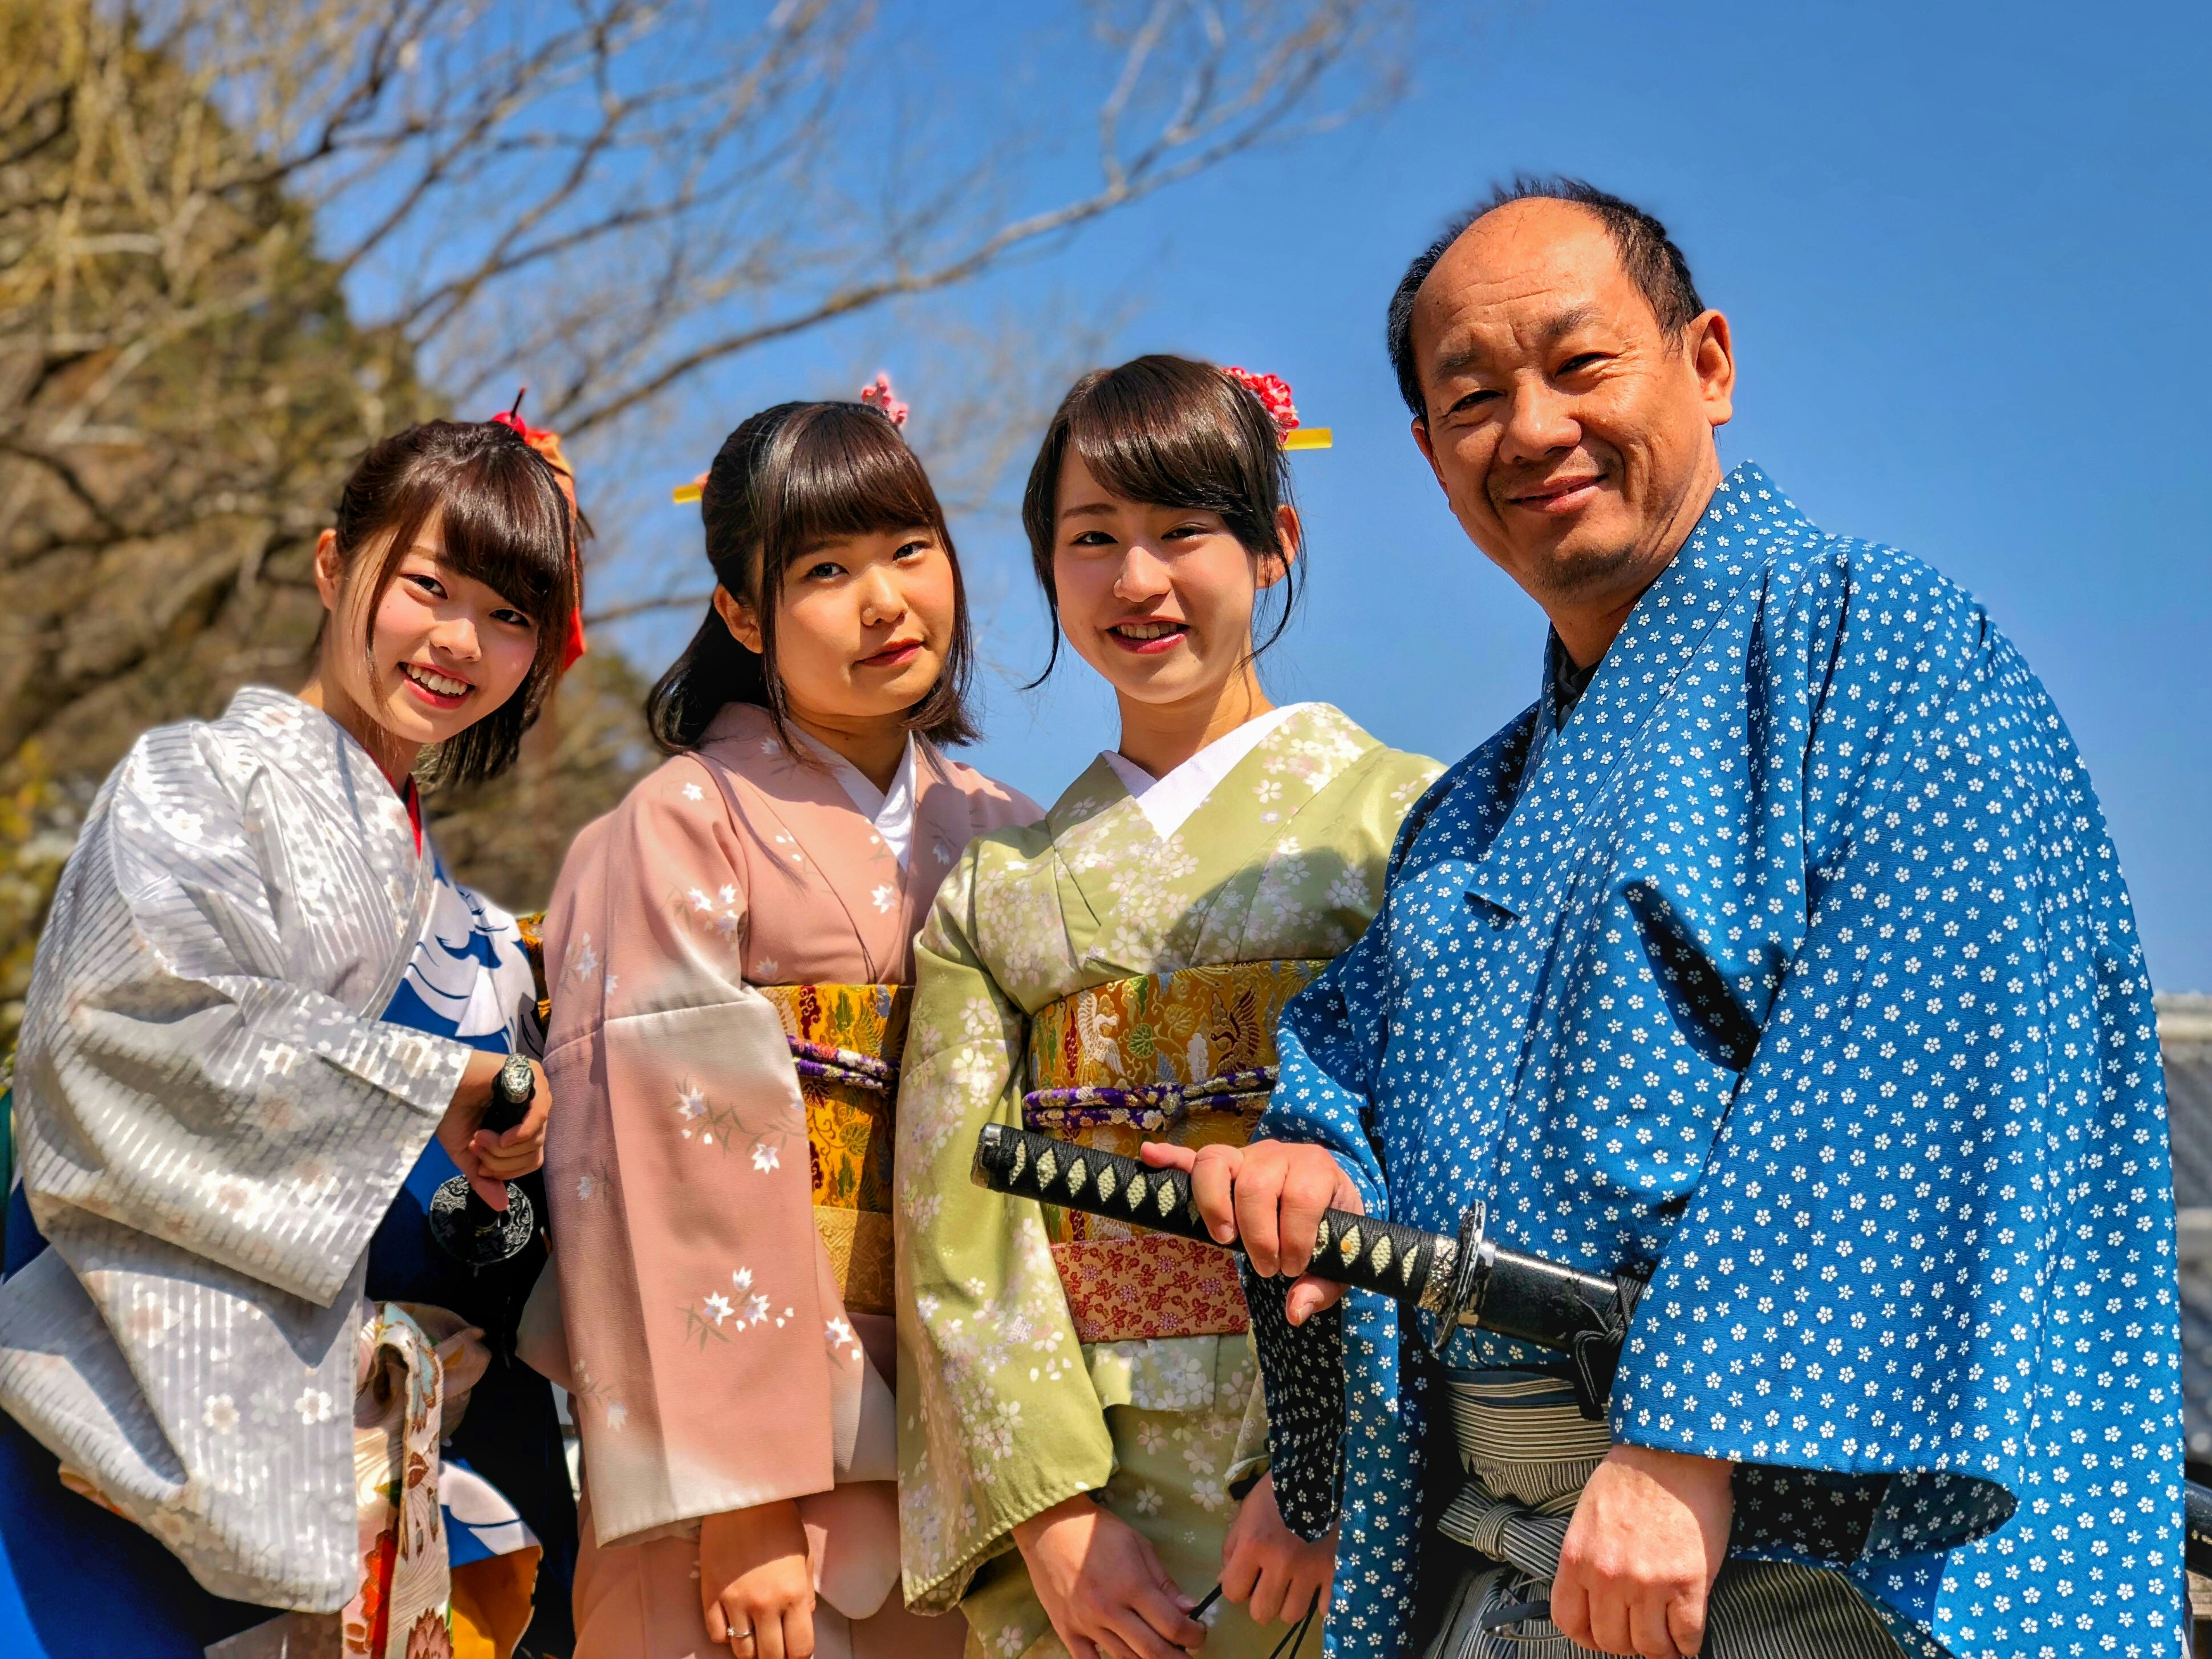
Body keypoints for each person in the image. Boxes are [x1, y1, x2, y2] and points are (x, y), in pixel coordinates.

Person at [1167, 178, 2183, 1659]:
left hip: (1788, 1544)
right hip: (1499, 1549)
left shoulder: (1883, 646)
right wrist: (1312, 1152)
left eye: (1580, 366)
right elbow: (1345, 1062)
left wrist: (1692, 1432)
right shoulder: (1467, 808)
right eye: (1473, 398)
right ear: (1431, 457)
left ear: (1706, 362)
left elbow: (1915, 1049)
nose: (1530, 429)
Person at [0, 413, 587, 1657]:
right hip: (157, 1405)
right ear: (334, 566)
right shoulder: (194, 783)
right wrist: (428, 1084)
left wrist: (494, 1159)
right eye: (427, 585)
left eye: (509, 616)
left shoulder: (477, 924)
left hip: (387, 1455)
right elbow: (128, 1032)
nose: (458, 641)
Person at [894, 355, 1443, 1659]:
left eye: (1181, 530)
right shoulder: (996, 893)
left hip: (1334, 1486)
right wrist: (1048, 1515)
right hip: (1088, 1533)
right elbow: (950, 1218)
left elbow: (1440, 1159)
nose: (1135, 580)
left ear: (1273, 544)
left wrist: (1323, 1473)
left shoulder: (1399, 821)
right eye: (1092, 540)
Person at [534, 388, 1034, 1659]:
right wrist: (743, 1489)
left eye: (909, 552)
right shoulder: (673, 827)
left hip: (974, 1461)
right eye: (825, 569)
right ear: (743, 615)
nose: (885, 602)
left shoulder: (1008, 832)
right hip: (745, 1496)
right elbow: (656, 1160)